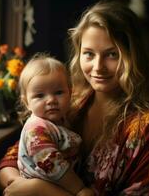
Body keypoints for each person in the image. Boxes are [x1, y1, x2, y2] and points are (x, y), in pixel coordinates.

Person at [0, 0, 149, 196]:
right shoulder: (70, 101)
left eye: (112, 54)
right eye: (89, 54)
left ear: (133, 56)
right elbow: (14, 158)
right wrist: (17, 184)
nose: (98, 67)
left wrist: (40, 190)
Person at [15, 54, 94, 196]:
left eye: (58, 92)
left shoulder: (61, 121)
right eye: (40, 95)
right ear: (26, 102)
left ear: (70, 93)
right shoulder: (36, 129)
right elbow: (52, 165)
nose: (51, 100)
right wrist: (79, 189)